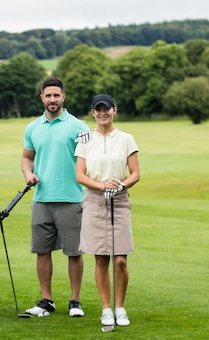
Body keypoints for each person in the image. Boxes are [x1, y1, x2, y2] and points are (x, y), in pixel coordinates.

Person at [21, 77, 90, 318]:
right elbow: (27, 157)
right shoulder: (32, 128)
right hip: (41, 198)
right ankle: (46, 301)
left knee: (74, 252)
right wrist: (28, 173)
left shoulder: (79, 127)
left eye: (56, 95)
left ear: (63, 97)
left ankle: (75, 301)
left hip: (71, 198)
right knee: (42, 251)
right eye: (48, 95)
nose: (52, 99)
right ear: (41, 97)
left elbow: (88, 160)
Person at [75, 94, 140, 326]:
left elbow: (135, 173)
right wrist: (102, 186)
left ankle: (120, 308)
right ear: (93, 113)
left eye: (107, 109)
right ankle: (106, 308)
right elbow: (80, 175)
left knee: (120, 259)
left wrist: (120, 185)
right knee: (101, 258)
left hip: (120, 201)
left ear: (114, 110)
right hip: (94, 200)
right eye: (98, 109)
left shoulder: (126, 139)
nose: (103, 113)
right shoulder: (85, 139)